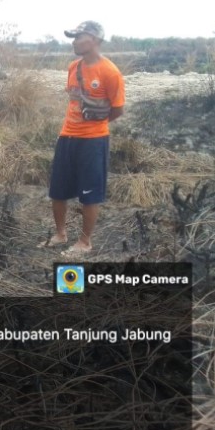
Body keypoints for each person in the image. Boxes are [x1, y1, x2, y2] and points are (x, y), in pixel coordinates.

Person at [40, 21, 125, 256]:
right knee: (57, 190)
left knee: (90, 194)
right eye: (73, 37)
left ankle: (85, 242)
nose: (74, 41)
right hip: (67, 136)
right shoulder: (73, 67)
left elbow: (117, 109)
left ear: (95, 40)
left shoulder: (110, 72)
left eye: (79, 37)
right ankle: (60, 234)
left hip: (94, 141)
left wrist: (95, 126)